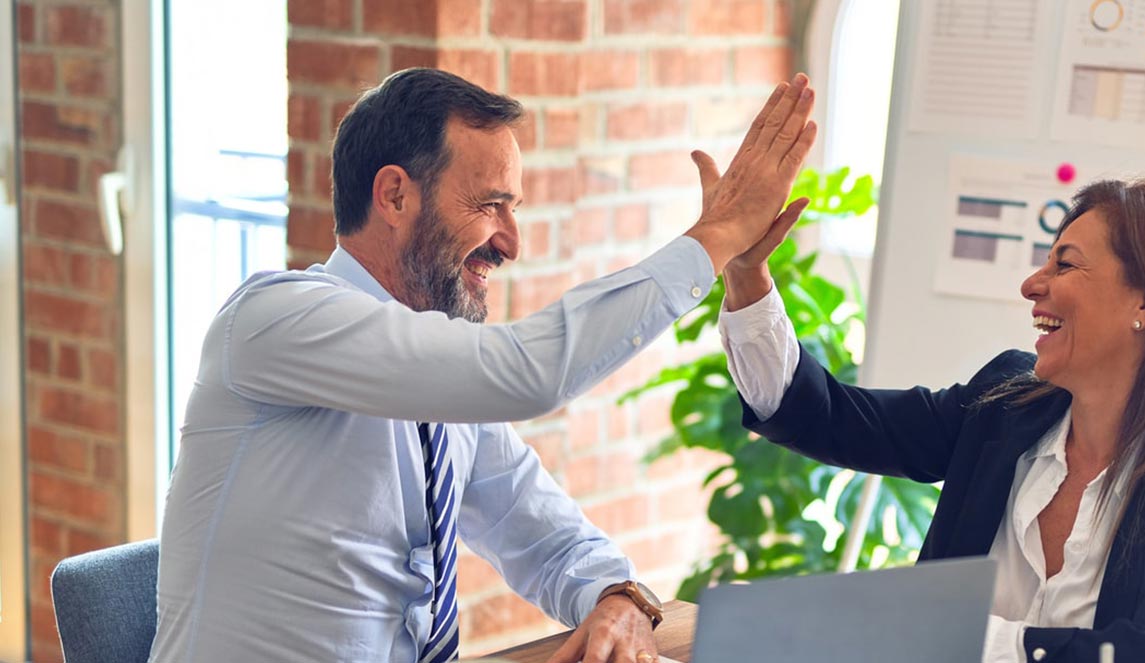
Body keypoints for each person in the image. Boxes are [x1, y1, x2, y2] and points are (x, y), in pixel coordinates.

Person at [151, 67, 817, 663]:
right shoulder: (277, 320)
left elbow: (547, 537)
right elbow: (527, 371)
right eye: (489, 204)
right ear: (394, 196)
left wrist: (618, 595)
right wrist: (718, 235)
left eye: (513, 207)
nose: (511, 241)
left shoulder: (439, 388)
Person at [718, 179, 1145, 662]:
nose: (1032, 285)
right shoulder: (1006, 405)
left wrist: (945, 635)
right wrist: (746, 274)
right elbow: (827, 417)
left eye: (1065, 264)